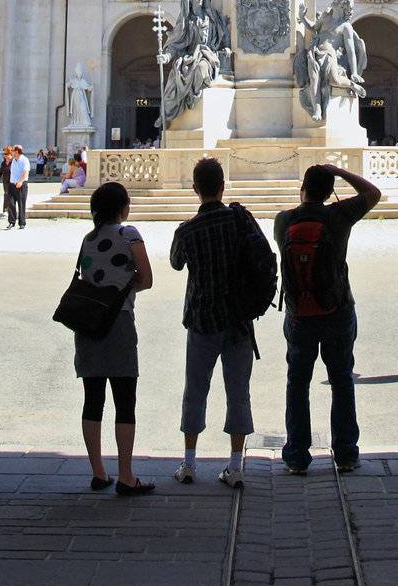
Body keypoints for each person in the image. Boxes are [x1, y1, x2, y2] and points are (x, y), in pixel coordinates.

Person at [273, 163, 382, 475]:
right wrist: (341, 171)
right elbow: (373, 193)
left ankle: (296, 454)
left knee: (297, 382)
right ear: (328, 191)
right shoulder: (338, 216)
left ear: (303, 188)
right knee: (342, 379)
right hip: (337, 308)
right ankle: (346, 453)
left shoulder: (284, 221)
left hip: (298, 313)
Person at [169, 158, 269, 489]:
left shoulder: (188, 230)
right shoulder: (239, 222)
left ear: (195, 189)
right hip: (239, 320)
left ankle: (189, 462)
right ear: (223, 186)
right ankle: (236, 465)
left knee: (195, 389)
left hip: (202, 319)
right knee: (238, 391)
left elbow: (175, 263)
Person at [74, 180, 154, 494]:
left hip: (88, 324)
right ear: (123, 208)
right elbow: (146, 279)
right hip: (118, 324)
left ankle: (98, 472)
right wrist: (126, 283)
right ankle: (125, 475)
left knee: (92, 401)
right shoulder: (129, 234)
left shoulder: (88, 238)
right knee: (124, 402)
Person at [7, 144, 31, 229]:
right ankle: (11, 221)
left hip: (21, 184)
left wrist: (20, 181)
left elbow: (26, 172)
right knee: (10, 203)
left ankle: (22, 223)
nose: (11, 152)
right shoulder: (13, 160)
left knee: (21, 204)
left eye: (13, 150)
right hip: (12, 184)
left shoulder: (25, 160)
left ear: (16, 152)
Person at [0, 146, 14, 218]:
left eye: (7, 154)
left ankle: (11, 210)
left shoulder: (13, 162)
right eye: (5, 154)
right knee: (6, 195)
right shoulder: (3, 163)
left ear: (11, 155)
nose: (6, 156)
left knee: (12, 196)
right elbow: (0, 172)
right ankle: (5, 210)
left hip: (13, 182)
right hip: (5, 182)